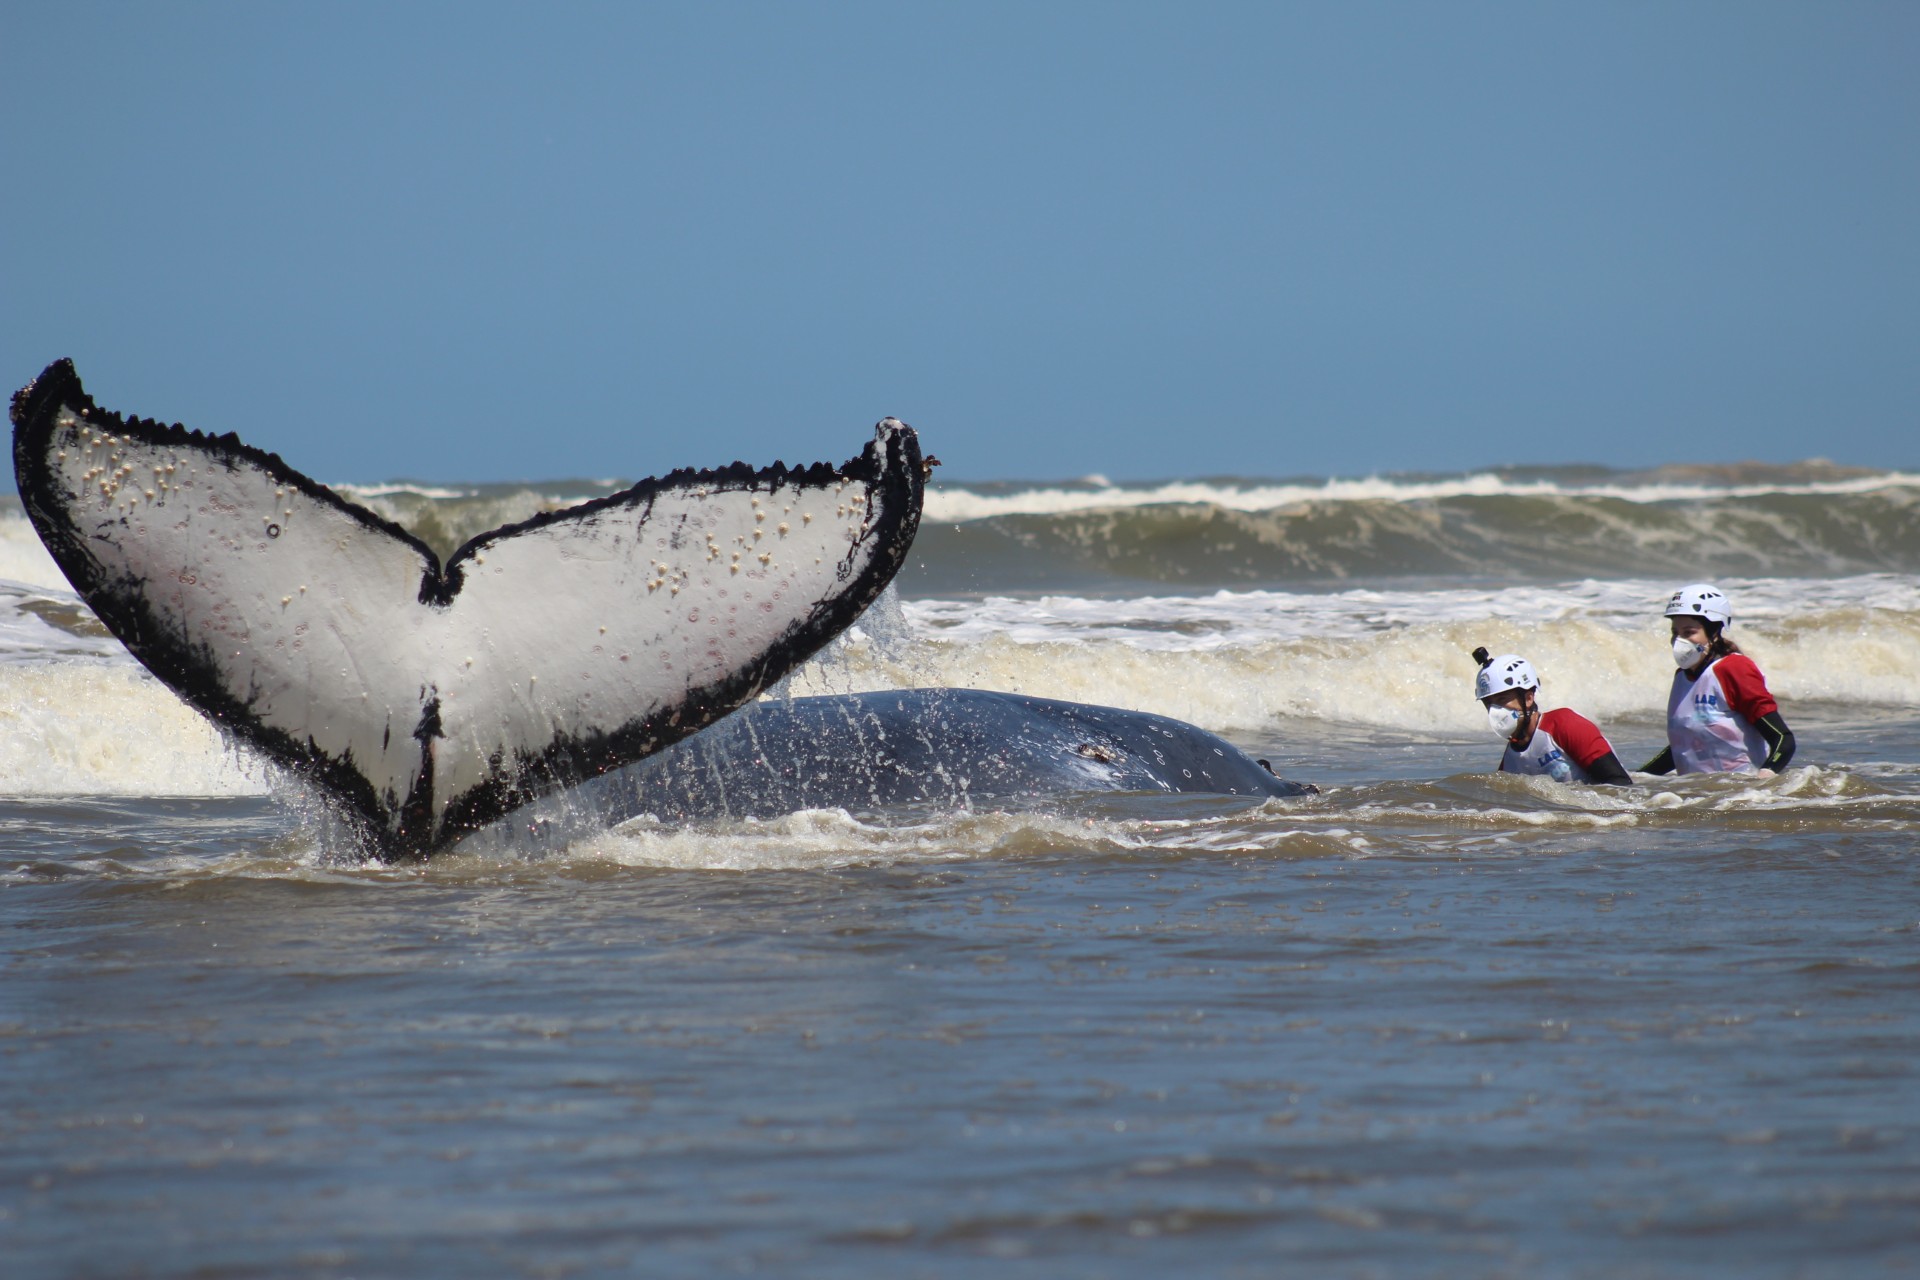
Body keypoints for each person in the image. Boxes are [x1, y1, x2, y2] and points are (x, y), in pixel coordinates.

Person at [1641, 583, 1795, 776]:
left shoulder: (1733, 668)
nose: (1678, 640)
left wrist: (1768, 773)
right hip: (1697, 795)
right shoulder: (1681, 676)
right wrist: (1640, 777)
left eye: (1689, 632)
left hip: (1740, 794)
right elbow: (1686, 746)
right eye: (1675, 633)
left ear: (1714, 631)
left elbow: (1783, 738)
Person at [1471, 647, 1631, 785]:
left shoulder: (1564, 724)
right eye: (1488, 703)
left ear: (1528, 698)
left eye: (1501, 699)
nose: (1495, 710)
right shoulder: (1509, 763)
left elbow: (1620, 783)